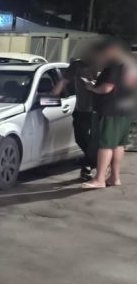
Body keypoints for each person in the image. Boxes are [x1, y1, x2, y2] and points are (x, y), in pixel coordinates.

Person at [82, 37, 136, 189]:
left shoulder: (115, 66)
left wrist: (91, 87)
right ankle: (114, 177)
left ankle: (99, 179)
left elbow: (107, 88)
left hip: (110, 110)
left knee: (105, 145)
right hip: (125, 110)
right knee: (118, 144)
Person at [50, 56, 98, 180]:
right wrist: (51, 97)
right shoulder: (77, 65)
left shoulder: (105, 64)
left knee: (95, 141)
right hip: (81, 109)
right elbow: (62, 82)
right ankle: (95, 161)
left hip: (99, 109)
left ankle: (88, 165)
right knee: (80, 138)